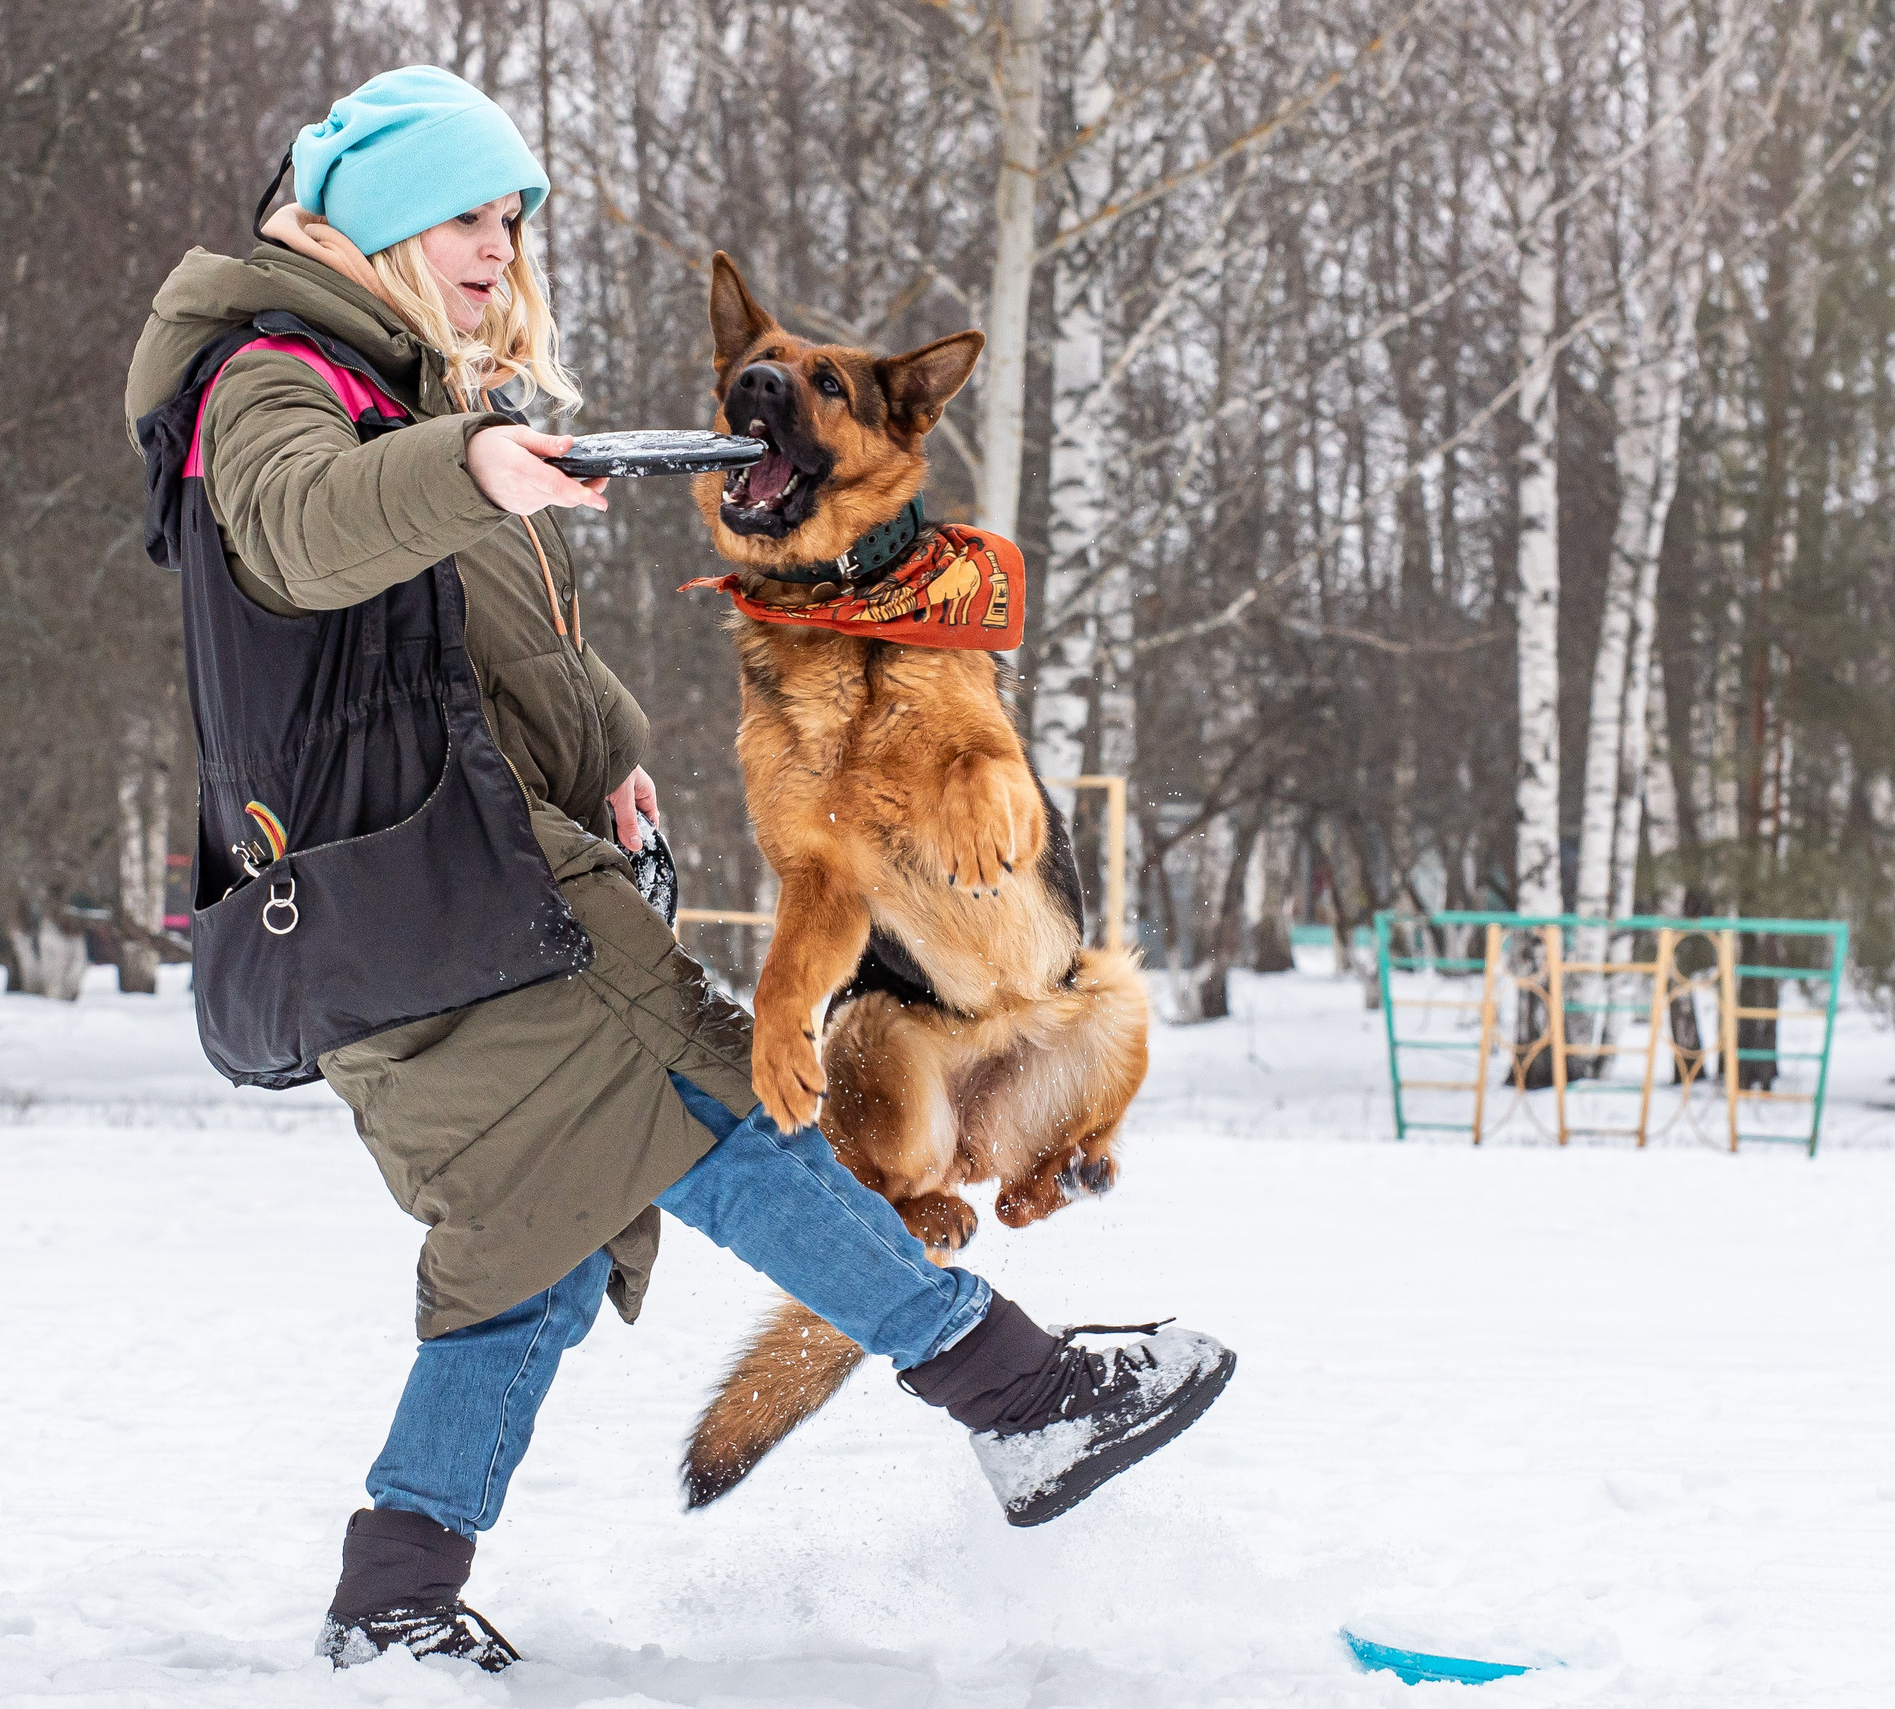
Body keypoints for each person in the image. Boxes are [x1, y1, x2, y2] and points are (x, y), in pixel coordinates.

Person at [125, 65, 1235, 1674]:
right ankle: (1024, 1399)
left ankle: (397, 1590)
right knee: (731, 1109)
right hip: (443, 907)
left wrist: (604, 754)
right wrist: (472, 471)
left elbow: (450, 669)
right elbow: (297, 532)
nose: (503, 247)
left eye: (513, 220)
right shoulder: (271, 378)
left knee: (539, 1242)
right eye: (470, 216)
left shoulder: (388, 391)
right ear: (373, 217)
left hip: (424, 901)